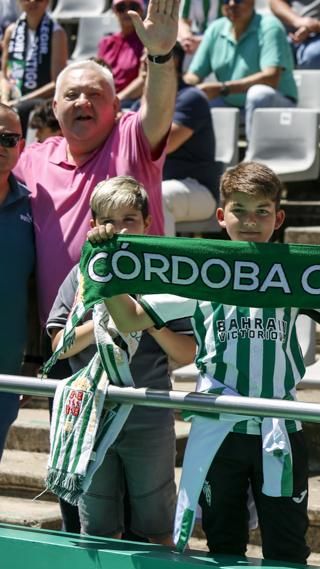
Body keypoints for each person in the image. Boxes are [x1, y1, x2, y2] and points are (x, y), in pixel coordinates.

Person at [96, 161, 320, 563]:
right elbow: (130, 318)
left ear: (278, 218)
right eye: (239, 209)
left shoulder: (297, 272)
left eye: (262, 211)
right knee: (223, 542)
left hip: (280, 426)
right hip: (218, 428)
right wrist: (106, 266)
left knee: (288, 545)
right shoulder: (200, 270)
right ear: (221, 216)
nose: (250, 220)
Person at [45, 177, 195, 546]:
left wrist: (146, 316)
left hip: (148, 415)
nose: (119, 229)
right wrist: (104, 319)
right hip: (91, 416)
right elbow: (58, 348)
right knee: (96, 529)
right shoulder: (81, 274)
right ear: (94, 225)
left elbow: (185, 353)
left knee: (157, 526)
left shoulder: (163, 276)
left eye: (130, 218)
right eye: (108, 220)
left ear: (148, 223)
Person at [15, 0, 178, 327]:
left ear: (117, 106)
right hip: (64, 339)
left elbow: (158, 110)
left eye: (95, 94)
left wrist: (159, 56)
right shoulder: (32, 158)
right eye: (72, 95)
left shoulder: (130, 139)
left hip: (138, 338)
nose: (83, 102)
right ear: (55, 105)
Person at [185, 0, 298, 140]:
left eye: (239, 0)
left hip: (276, 104)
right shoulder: (215, 29)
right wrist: (179, 88)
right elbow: (194, 75)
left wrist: (223, 88)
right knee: (192, 101)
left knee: (258, 94)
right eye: (226, 0)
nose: (232, 4)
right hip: (230, 103)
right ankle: (200, 160)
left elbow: (271, 78)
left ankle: (254, 157)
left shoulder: (270, 26)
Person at [137, 43, 220, 232]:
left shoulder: (191, 98)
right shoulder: (140, 103)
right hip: (153, 183)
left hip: (196, 188)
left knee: (157, 196)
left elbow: (161, 144)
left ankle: (162, 261)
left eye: (148, 55)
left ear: (171, 60)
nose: (142, 61)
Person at [0, 102, 32, 460]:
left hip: (5, 370)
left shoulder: (32, 205)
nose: (1, 146)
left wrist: (34, 360)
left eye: (9, 139)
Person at [0, 0, 66, 128]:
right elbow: (5, 75)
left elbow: (55, 83)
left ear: (47, 2)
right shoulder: (11, 31)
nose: (32, 2)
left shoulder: (57, 33)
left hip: (40, 101)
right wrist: (5, 99)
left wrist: (18, 102)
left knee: (20, 109)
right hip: (12, 97)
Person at [98, 0, 147, 102]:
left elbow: (144, 80)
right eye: (121, 7)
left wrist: (117, 99)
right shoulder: (106, 42)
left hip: (131, 101)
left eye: (133, 7)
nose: (127, 11)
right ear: (114, 11)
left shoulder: (146, 42)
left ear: (142, 11)